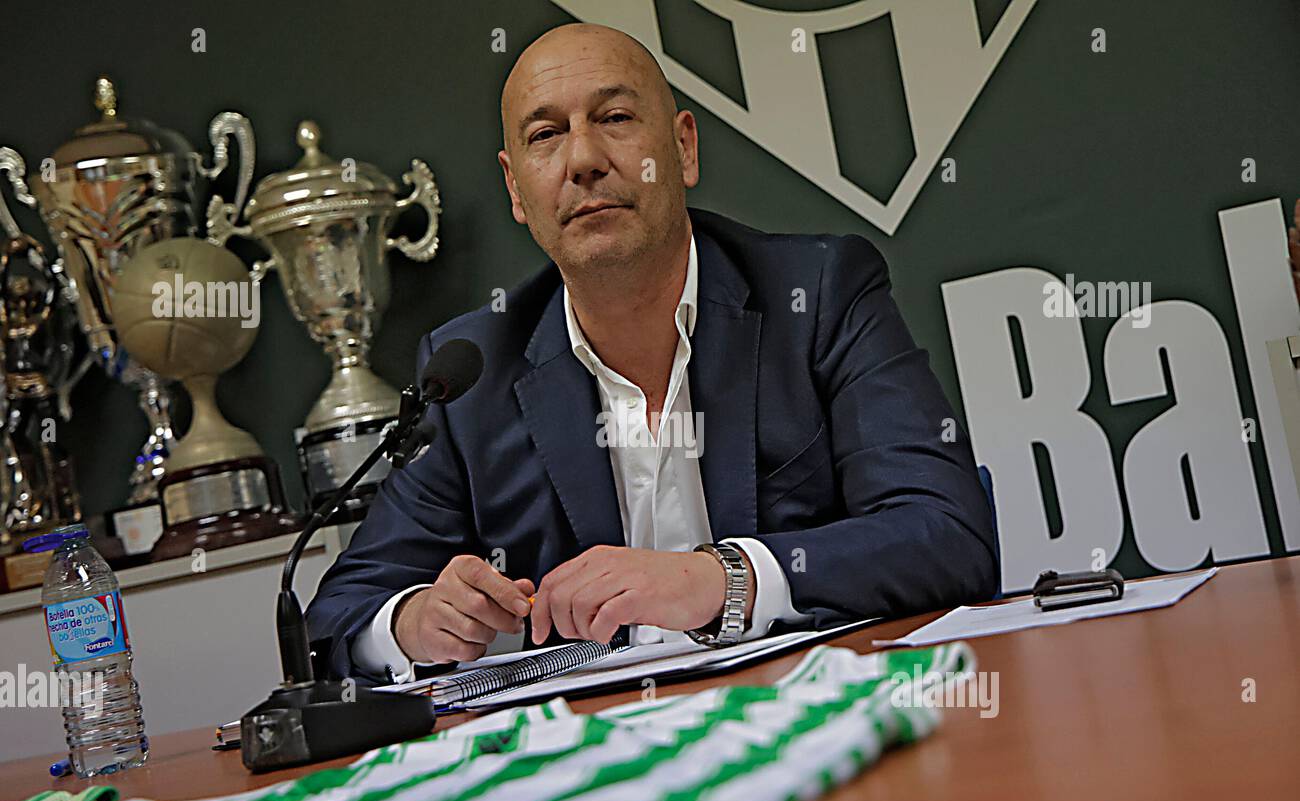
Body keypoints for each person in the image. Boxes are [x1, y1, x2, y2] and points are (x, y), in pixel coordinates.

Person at [304, 23, 998, 683]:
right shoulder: (475, 370)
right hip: (604, 765)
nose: (583, 161)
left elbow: (947, 533)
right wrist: (414, 622)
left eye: (614, 119)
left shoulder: (818, 297)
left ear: (684, 148)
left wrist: (722, 578)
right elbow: (335, 619)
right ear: (517, 190)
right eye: (547, 135)